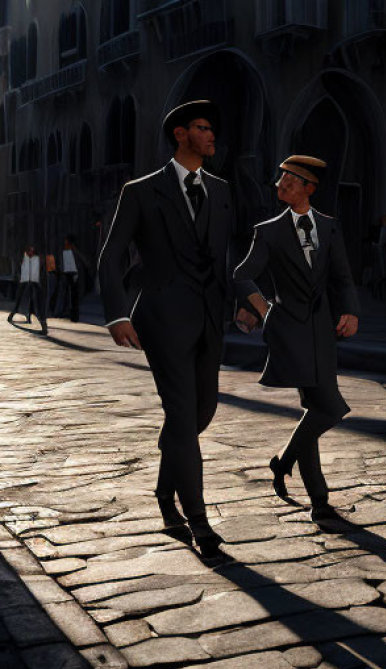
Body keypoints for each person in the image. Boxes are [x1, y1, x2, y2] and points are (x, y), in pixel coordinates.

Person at [97, 99, 268, 561]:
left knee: (199, 414)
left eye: (213, 129)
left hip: (210, 319)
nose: (211, 135)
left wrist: (245, 305)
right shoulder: (141, 190)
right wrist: (117, 315)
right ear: (179, 134)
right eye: (201, 128)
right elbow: (111, 255)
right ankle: (199, 523)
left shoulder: (222, 189)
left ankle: (162, 488)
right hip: (161, 318)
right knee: (181, 414)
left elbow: (225, 259)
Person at [233, 156, 360, 525]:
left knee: (317, 407)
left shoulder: (330, 227)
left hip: (322, 330)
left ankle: (316, 498)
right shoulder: (268, 230)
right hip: (288, 328)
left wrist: (350, 312)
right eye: (280, 179)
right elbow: (243, 276)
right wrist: (264, 308)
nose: (281, 185)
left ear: (309, 188)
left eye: (290, 181)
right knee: (330, 407)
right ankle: (291, 467)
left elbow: (342, 276)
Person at [7, 245, 46, 334]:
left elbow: (40, 269)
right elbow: (20, 268)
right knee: (20, 298)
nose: (30, 252)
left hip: (34, 281)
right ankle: (13, 314)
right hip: (24, 281)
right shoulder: (24, 258)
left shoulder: (37, 259)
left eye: (32, 250)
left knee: (36, 302)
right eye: (29, 250)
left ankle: (42, 324)